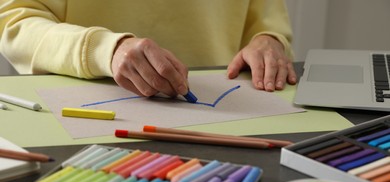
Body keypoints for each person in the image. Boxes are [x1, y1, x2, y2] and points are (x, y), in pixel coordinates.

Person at [0, 0, 296, 99]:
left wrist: (268, 39)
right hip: (89, 119)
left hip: (235, 112)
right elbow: (16, 22)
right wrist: (107, 50)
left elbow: (265, 20)